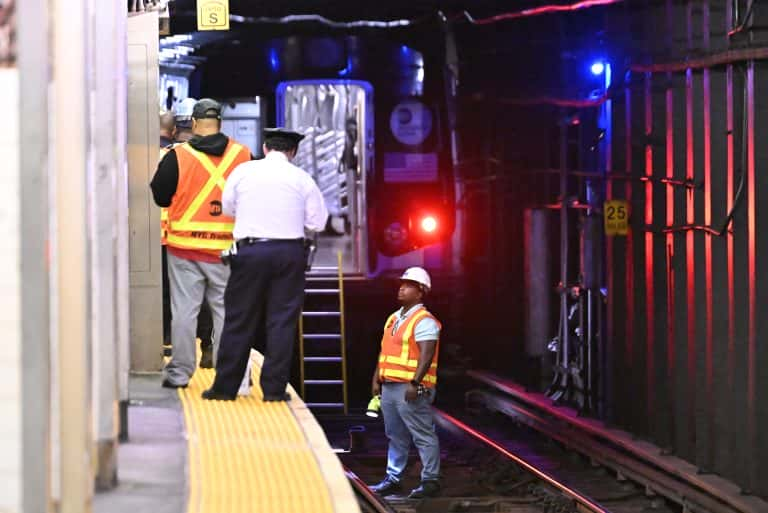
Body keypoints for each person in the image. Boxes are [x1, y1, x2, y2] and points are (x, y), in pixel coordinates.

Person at [202, 127, 328, 401]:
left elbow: (227, 208)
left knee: (239, 319)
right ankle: (273, 390)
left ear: (265, 147)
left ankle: (225, 388)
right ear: (292, 152)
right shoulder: (302, 178)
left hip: (250, 252)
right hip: (289, 254)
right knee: (281, 322)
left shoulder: (244, 172)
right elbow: (317, 222)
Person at [150, 98, 251, 388]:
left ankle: (180, 374)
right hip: (227, 250)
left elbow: (159, 195)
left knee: (184, 311)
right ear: (220, 122)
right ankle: (227, 372)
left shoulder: (178, 156)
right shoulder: (243, 156)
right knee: (225, 311)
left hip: (184, 249)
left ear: (194, 124)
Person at [370, 267, 442, 499]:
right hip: (390, 386)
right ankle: (393, 478)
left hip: (410, 388)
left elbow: (427, 353)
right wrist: (376, 378)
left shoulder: (424, 320)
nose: (402, 287)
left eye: (409, 285)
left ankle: (431, 481)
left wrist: (415, 382)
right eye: (402, 284)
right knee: (396, 435)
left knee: (422, 434)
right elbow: (385, 352)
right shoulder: (394, 318)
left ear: (420, 292)